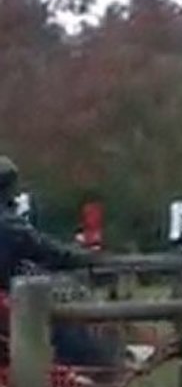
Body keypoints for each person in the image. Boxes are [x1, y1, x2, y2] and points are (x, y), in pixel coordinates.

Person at [0, 156, 119, 367]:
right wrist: (89, 258)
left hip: (11, 288)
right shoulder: (7, 223)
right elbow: (50, 253)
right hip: (12, 294)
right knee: (68, 307)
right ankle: (88, 366)